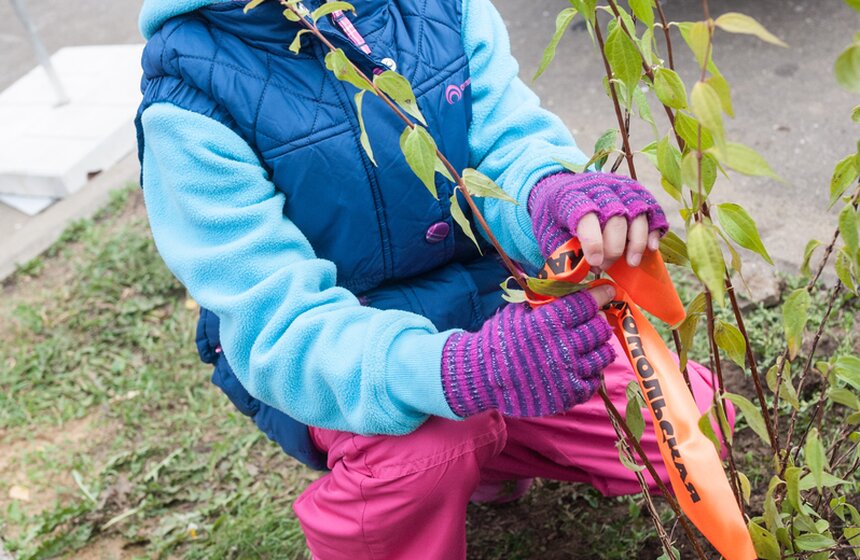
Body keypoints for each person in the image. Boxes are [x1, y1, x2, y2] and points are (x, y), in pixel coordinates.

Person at [135, 0, 728, 557]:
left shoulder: (444, 8)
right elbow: (282, 326)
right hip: (345, 355)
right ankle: (399, 512)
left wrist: (550, 195)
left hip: (489, 306)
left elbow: (504, 144)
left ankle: (494, 452)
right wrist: (462, 371)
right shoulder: (191, 94)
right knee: (426, 455)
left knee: (694, 421)